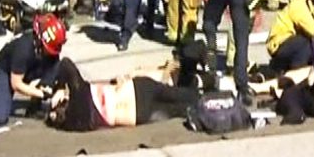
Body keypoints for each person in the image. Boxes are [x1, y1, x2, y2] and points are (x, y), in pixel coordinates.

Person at [46, 58, 199, 132]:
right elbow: (65, 64)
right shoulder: (80, 95)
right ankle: (206, 89)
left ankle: (211, 103)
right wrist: (59, 88)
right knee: (183, 96)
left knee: (182, 109)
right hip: (137, 91)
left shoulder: (78, 123)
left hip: (138, 115)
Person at [0, 14, 66, 125]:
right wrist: (41, 94)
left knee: (56, 66)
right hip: (6, 71)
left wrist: (60, 89)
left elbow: (58, 70)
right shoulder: (23, 49)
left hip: (31, 69)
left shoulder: (52, 53)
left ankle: (34, 106)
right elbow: (16, 84)